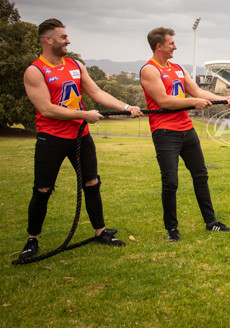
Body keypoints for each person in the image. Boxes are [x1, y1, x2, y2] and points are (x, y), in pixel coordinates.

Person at [19, 18, 143, 260]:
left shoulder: (75, 65)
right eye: (63, 37)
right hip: (51, 138)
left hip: (80, 137)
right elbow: (46, 109)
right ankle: (32, 240)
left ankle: (100, 232)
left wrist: (126, 106)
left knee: (92, 183)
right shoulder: (35, 71)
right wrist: (84, 114)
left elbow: (96, 92)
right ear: (48, 39)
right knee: (42, 189)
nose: (68, 41)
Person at [140, 27, 230, 241]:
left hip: (186, 129)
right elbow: (164, 101)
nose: (175, 46)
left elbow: (198, 91)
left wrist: (223, 99)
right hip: (165, 132)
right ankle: (172, 230)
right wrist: (193, 102)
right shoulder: (150, 70)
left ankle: (211, 223)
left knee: (201, 176)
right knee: (171, 182)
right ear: (159, 46)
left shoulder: (177, 68)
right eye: (171, 43)